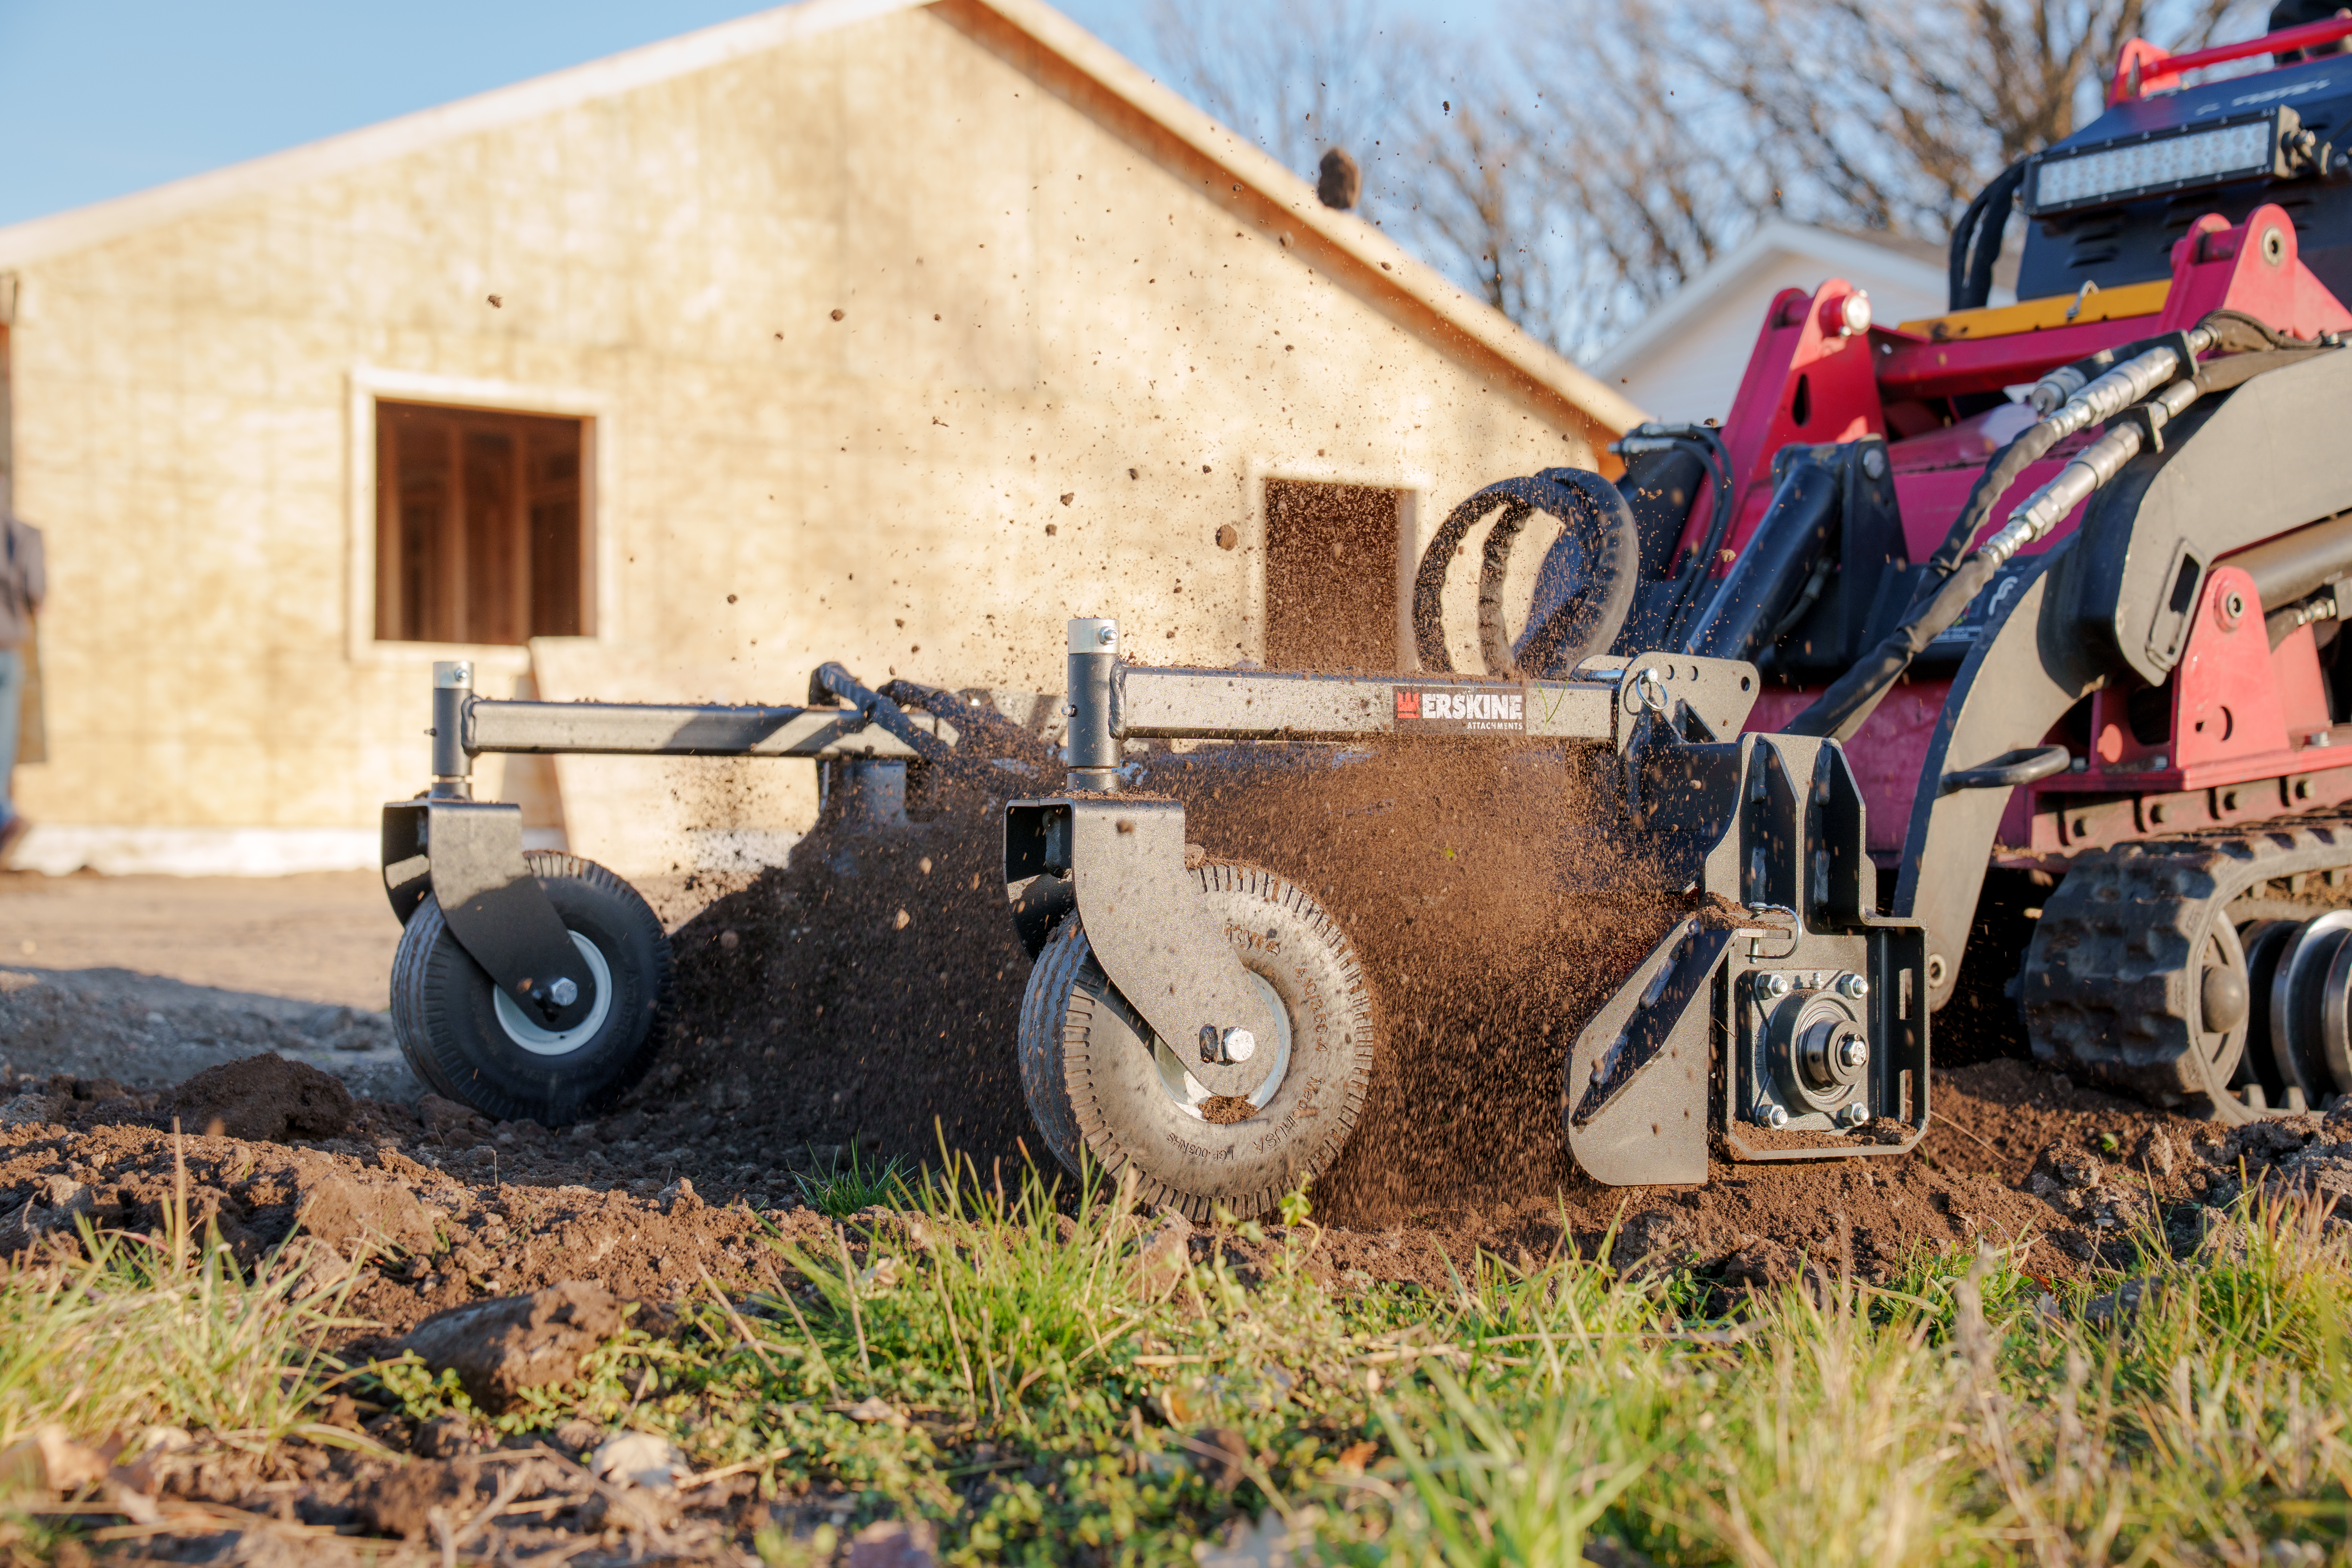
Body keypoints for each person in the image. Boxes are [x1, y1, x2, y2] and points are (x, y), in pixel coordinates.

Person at [0, 509, 44, 864]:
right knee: (4, 738)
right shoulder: (23, 535)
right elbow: (37, 594)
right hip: (8, 646)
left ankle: (4, 817)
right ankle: (4, 815)